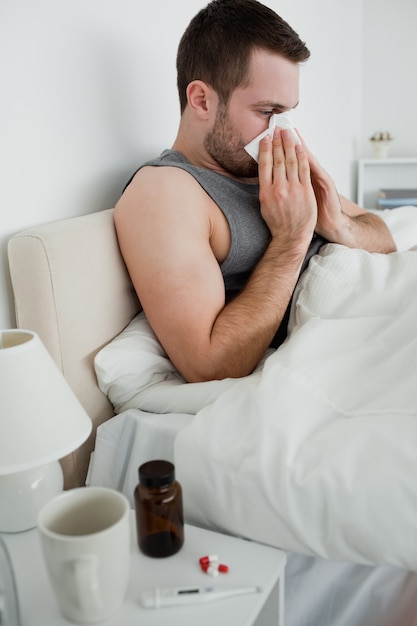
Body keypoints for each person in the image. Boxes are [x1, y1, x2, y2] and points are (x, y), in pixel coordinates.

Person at [114, 0, 396, 384]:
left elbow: (383, 235)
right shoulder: (166, 193)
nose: (279, 132)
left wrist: (337, 224)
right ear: (201, 100)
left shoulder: (266, 164)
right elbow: (208, 364)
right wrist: (292, 239)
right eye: (266, 111)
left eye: (287, 113)